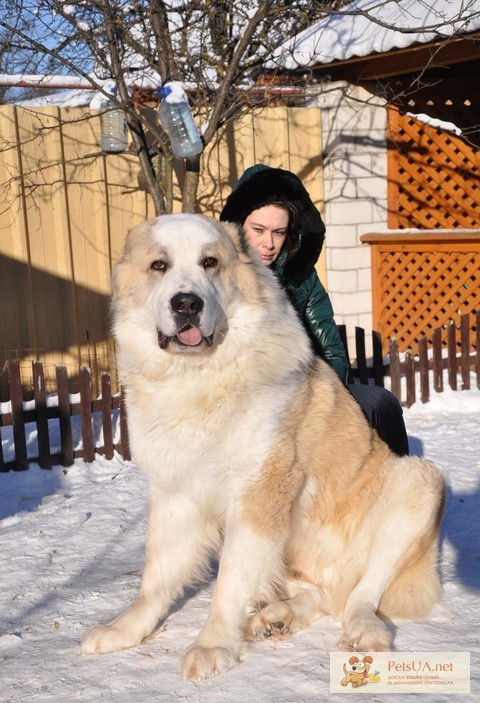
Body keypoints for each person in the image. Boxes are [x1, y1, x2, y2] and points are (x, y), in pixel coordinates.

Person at [220, 164, 409, 456]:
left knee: (379, 402)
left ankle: (393, 490)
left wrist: (320, 403)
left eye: (278, 232)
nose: (268, 243)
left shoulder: (301, 276)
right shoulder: (217, 278)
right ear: (238, 224)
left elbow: (331, 351)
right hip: (242, 405)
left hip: (309, 391)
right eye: (258, 230)